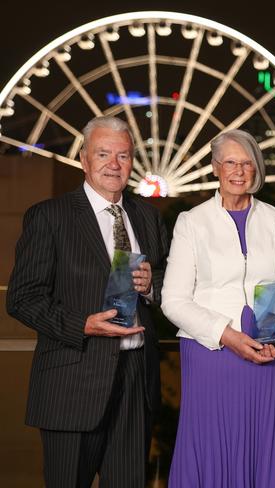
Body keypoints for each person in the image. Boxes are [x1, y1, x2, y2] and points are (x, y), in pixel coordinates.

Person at [6, 115, 169, 487]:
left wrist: (150, 286)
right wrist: (82, 324)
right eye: (103, 153)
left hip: (135, 381)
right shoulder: (50, 217)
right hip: (71, 382)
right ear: (84, 158)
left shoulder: (146, 216)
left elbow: (165, 280)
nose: (114, 164)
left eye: (123, 155)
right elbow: (22, 298)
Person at [161, 129, 275, 487]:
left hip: (272, 352)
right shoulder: (191, 223)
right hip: (213, 354)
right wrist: (226, 335)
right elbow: (173, 301)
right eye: (230, 162)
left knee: (268, 448)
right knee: (213, 449)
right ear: (214, 167)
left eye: (247, 163)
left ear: (256, 169)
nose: (239, 171)